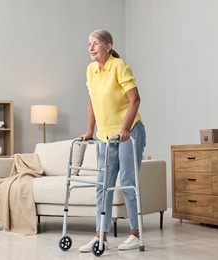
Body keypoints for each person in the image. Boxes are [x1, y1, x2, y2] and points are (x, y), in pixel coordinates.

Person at [79, 29, 146, 252]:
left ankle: (135, 234)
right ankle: (101, 237)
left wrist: (125, 129)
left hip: (129, 132)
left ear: (108, 46)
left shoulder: (119, 66)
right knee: (103, 185)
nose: (90, 48)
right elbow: (92, 102)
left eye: (95, 43)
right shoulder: (91, 70)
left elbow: (134, 98)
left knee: (127, 182)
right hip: (106, 137)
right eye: (89, 44)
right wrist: (90, 130)